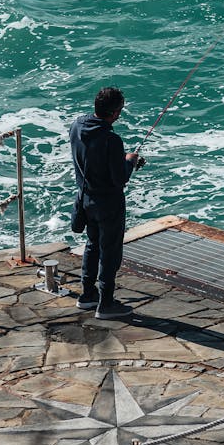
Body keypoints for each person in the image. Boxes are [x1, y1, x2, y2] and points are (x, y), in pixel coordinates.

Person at [69, 86, 144, 319]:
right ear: (113, 112)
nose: (120, 115)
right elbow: (119, 178)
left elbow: (94, 160)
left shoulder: (77, 126)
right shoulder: (112, 140)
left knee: (92, 245)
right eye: (119, 110)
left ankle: (87, 295)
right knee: (110, 251)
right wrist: (130, 161)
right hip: (108, 203)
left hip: (85, 199)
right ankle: (106, 303)